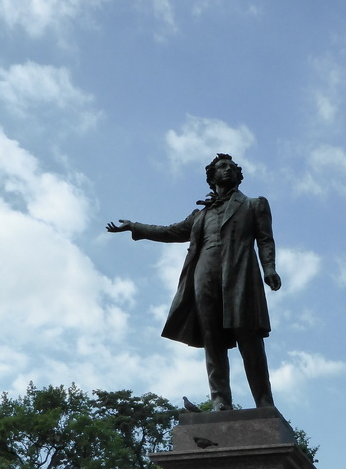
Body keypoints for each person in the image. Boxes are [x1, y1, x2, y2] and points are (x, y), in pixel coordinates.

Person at [107, 154, 281, 411]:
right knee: (212, 339)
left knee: (249, 338)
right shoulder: (200, 216)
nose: (228, 170)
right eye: (222, 167)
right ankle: (220, 400)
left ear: (238, 175)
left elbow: (265, 239)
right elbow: (169, 232)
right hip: (205, 275)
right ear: (212, 177)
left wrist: (269, 268)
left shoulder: (255, 205)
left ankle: (264, 403)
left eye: (232, 167)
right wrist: (136, 226)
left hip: (240, 273)